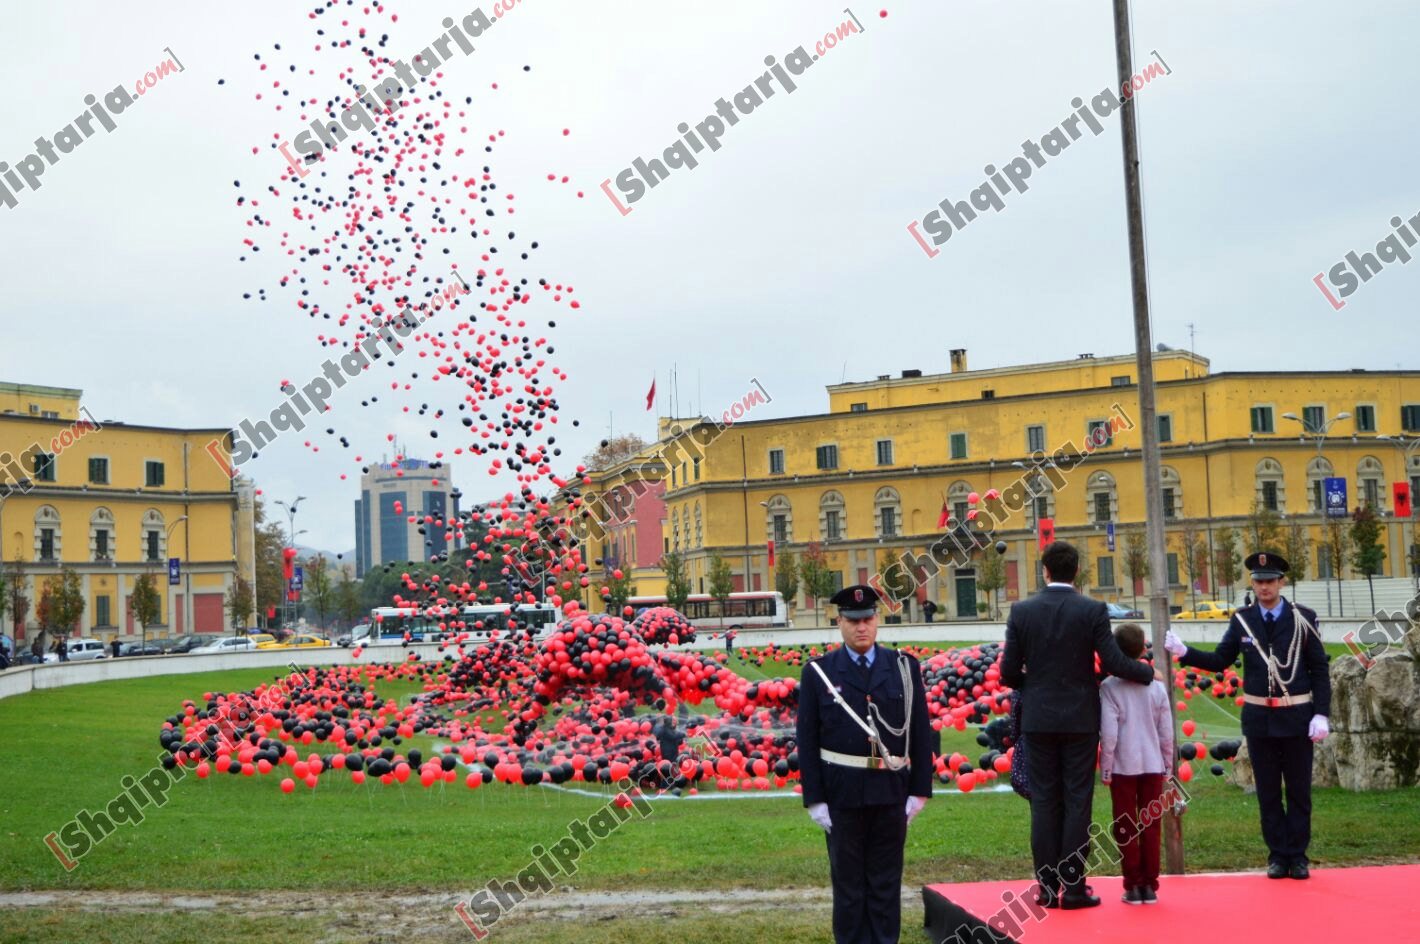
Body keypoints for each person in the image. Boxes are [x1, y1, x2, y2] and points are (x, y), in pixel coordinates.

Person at [999, 541, 1155, 909]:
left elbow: (1008, 672)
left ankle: (1045, 889)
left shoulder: (1022, 611)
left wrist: (1035, 686)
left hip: (1039, 720)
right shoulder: (1092, 609)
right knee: (1077, 802)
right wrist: (1147, 673)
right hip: (1080, 720)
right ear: (1077, 572)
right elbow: (1114, 662)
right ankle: (1073, 888)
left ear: (1045, 571)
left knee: (1044, 803)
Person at [1165, 552, 1330, 879]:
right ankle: (1277, 855)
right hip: (1259, 721)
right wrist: (1186, 652)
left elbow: (1319, 670)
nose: (1264, 587)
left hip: (1296, 717)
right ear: (1252, 583)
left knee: (1299, 792)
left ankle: (1298, 856)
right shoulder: (1242, 619)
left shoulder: (1303, 618)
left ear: (1282, 582)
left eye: (1270, 581)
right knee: (1267, 792)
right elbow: (1220, 660)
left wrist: (1321, 714)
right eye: (1258, 581)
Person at [797, 584, 933, 943]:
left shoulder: (903, 667)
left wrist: (919, 790)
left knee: (886, 882)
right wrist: (815, 799)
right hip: (841, 795)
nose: (862, 627)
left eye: (868, 619)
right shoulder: (819, 672)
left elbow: (921, 731)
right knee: (848, 885)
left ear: (877, 620)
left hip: (890, 791)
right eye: (853, 620)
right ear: (839, 622)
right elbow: (807, 739)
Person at [1100, 623, 1173, 905]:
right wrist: (1168, 764)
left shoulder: (1109, 687)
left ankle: (1133, 884)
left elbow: (1109, 734)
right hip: (1152, 763)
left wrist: (1106, 767)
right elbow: (1166, 732)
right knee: (1151, 825)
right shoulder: (1157, 687)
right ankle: (1150, 884)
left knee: (1125, 825)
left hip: (1122, 766)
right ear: (1143, 649)